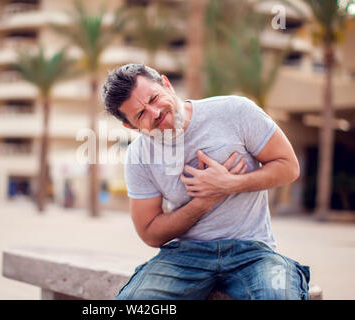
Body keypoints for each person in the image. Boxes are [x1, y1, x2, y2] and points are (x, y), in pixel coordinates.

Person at [101, 64, 310, 300]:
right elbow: (150, 233)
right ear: (130, 126)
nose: (155, 112)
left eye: (154, 98)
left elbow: (288, 167)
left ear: (166, 85)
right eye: (141, 114)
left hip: (253, 252)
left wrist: (230, 184)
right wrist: (204, 201)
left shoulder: (234, 111)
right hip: (184, 256)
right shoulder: (139, 155)